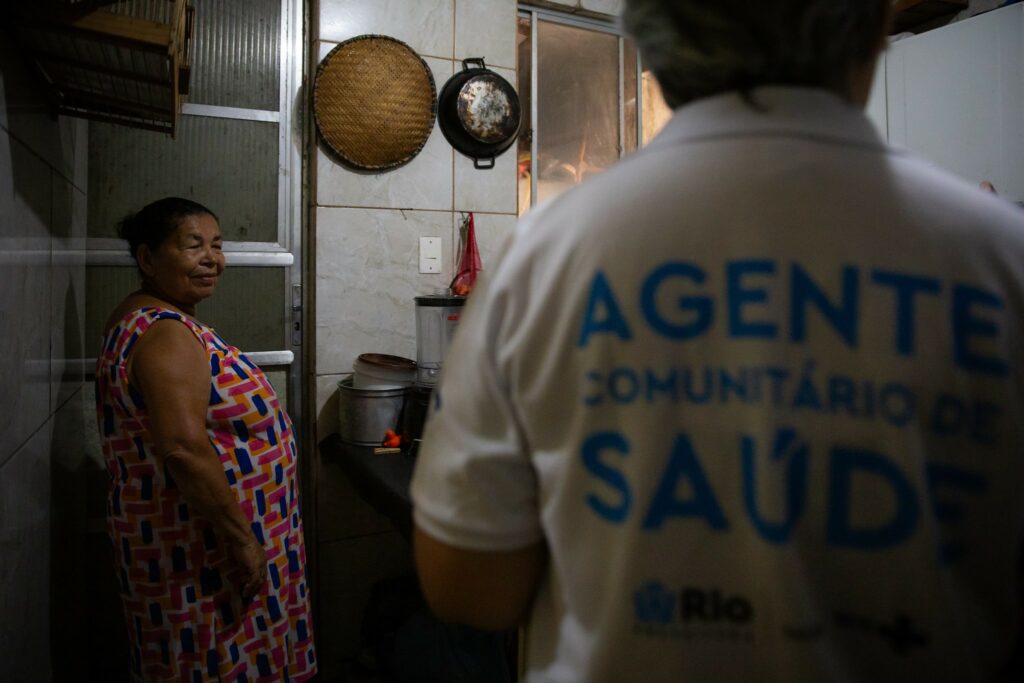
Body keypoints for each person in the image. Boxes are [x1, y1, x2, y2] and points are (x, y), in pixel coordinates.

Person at [409, 1, 1024, 680]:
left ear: (647, 37)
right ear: (877, 22)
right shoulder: (1001, 256)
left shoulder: (543, 256)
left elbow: (469, 587)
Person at [95, 198, 316, 681]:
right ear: (148, 259)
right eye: (193, 245)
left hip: (198, 546)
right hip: (200, 556)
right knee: (213, 667)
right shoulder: (164, 333)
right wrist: (243, 541)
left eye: (217, 245)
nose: (212, 258)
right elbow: (183, 449)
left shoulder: (153, 318)